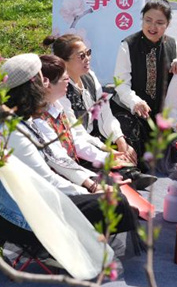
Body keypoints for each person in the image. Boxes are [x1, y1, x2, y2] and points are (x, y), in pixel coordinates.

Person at [0, 53, 141, 265]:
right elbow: (47, 180)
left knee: (109, 185)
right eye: (43, 79)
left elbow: (58, 158)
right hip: (20, 219)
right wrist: (88, 190)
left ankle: (76, 242)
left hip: (34, 202)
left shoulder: (23, 118)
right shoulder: (11, 132)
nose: (46, 83)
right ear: (31, 87)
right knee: (114, 203)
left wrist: (93, 184)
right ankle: (47, 247)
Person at [44, 33, 156, 190]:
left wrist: (119, 139)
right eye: (81, 56)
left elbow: (105, 111)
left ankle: (129, 167)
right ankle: (128, 173)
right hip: (81, 138)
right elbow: (76, 133)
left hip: (96, 131)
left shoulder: (89, 76)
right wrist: (106, 149)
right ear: (64, 62)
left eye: (88, 53)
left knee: (129, 123)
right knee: (91, 158)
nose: (87, 59)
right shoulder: (61, 90)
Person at [111, 0, 177, 158]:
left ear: (168, 24)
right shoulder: (128, 45)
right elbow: (121, 83)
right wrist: (135, 102)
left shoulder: (172, 44)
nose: (153, 27)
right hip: (132, 110)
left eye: (160, 22)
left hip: (162, 111)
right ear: (142, 19)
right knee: (130, 137)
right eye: (148, 20)